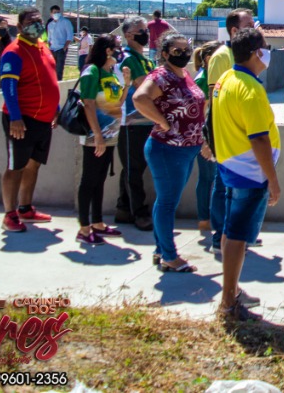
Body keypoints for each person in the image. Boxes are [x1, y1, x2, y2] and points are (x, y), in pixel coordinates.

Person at [212, 27, 281, 318]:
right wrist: (273, 181)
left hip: (232, 166)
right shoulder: (250, 89)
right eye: (265, 47)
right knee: (237, 236)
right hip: (250, 173)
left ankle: (231, 290)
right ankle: (229, 301)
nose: (268, 52)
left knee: (230, 232)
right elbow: (259, 139)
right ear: (255, 53)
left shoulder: (226, 79)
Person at [134, 32, 207, 273]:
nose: (184, 54)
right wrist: (162, 122)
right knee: (167, 203)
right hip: (168, 149)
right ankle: (169, 255)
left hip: (186, 149)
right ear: (164, 54)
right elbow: (140, 98)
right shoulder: (161, 76)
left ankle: (161, 250)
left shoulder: (184, 74)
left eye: (186, 49)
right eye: (177, 51)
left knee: (166, 201)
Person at [0, 7, 60, 233]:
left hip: (43, 119)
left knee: (33, 164)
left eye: (39, 21)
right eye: (31, 22)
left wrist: (55, 107)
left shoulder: (43, 48)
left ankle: (25, 208)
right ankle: (9, 214)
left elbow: (49, 79)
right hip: (22, 120)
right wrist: (15, 117)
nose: (37, 25)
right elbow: (8, 86)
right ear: (19, 27)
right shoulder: (14, 52)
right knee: (16, 166)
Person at [203, 9, 258, 253]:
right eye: (249, 25)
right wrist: (211, 138)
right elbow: (214, 100)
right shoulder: (221, 57)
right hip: (226, 134)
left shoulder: (246, 56)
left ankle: (237, 233)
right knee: (222, 186)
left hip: (242, 134)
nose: (254, 28)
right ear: (234, 30)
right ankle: (220, 236)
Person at [74, 34, 124, 245]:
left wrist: (128, 83)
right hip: (95, 136)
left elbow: (117, 102)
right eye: (116, 48)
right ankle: (84, 228)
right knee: (89, 180)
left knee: (100, 179)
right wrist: (97, 135)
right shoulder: (92, 71)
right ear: (107, 50)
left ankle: (97, 222)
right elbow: (88, 103)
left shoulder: (109, 72)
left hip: (110, 135)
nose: (119, 51)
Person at [115, 17, 155, 231]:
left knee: (133, 168)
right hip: (131, 121)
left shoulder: (144, 59)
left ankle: (123, 208)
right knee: (133, 169)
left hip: (145, 119)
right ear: (128, 35)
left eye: (146, 30)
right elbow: (145, 87)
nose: (146, 34)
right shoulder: (128, 59)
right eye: (141, 31)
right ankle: (139, 212)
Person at [191, 40, 223, 235]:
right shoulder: (204, 80)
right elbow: (202, 113)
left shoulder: (208, 78)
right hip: (207, 138)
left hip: (211, 136)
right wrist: (206, 140)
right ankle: (204, 218)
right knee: (208, 177)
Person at [46, 5, 74, 80]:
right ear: (51, 14)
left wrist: (65, 47)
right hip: (52, 49)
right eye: (54, 12)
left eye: (58, 12)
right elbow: (49, 38)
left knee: (59, 69)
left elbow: (70, 36)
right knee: (51, 68)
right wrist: (49, 46)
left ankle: (58, 83)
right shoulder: (50, 25)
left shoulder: (66, 22)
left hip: (61, 48)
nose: (56, 14)